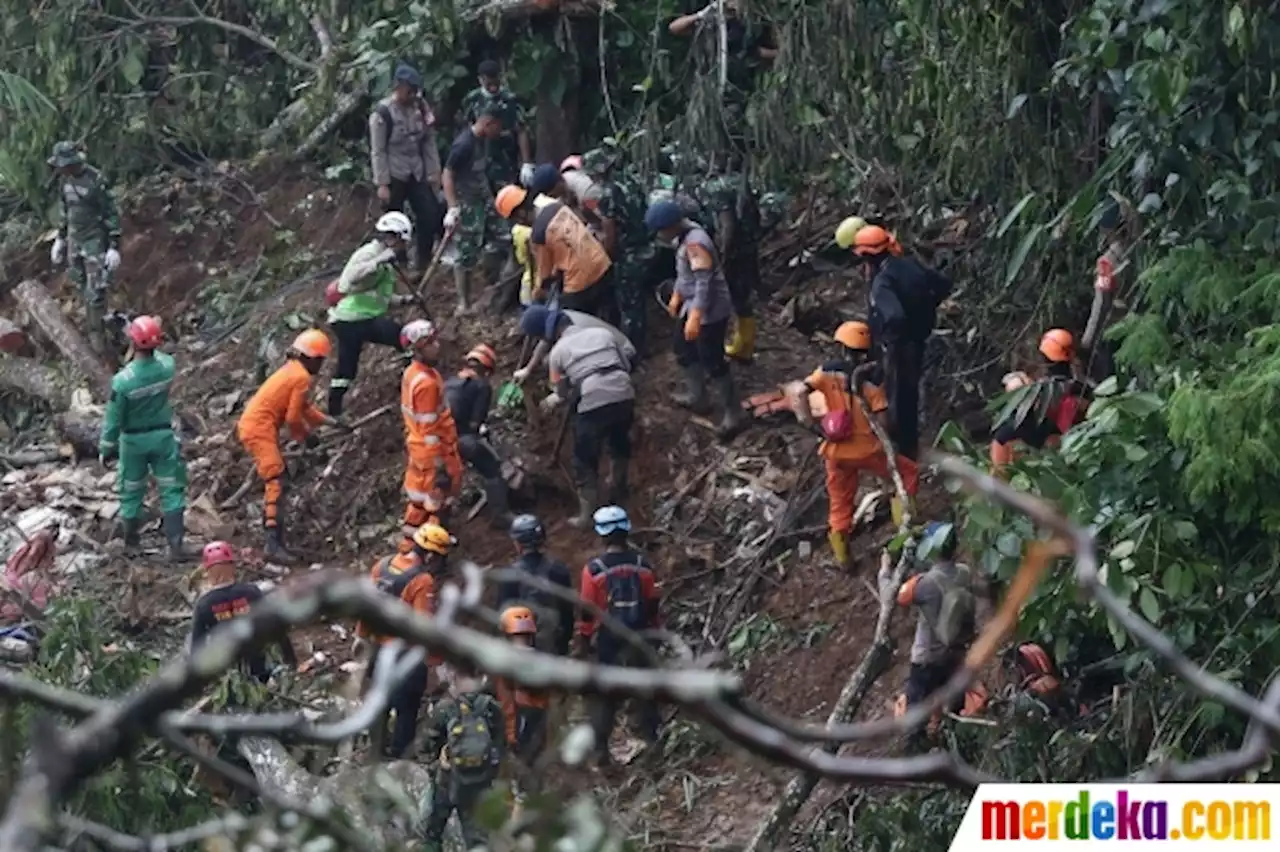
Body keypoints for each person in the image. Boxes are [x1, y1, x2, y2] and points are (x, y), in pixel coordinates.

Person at [786, 320, 920, 568]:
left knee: (839, 502)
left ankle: (843, 557)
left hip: (835, 450)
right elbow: (883, 420)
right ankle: (906, 536)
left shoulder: (825, 372)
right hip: (867, 448)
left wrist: (809, 423)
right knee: (907, 473)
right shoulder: (872, 379)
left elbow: (799, 391)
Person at [849, 223, 953, 461]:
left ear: (868, 256)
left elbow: (894, 315)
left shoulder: (882, 282)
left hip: (899, 345)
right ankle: (909, 444)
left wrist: (890, 341)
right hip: (918, 339)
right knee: (910, 392)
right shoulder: (910, 265)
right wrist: (925, 306)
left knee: (897, 394)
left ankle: (900, 448)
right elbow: (943, 284)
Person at [645, 199, 745, 438]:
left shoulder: (695, 243)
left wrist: (697, 315)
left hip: (710, 309)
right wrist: (678, 296)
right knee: (683, 349)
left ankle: (734, 413)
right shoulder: (682, 238)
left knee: (712, 359)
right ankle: (697, 395)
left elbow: (704, 283)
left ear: (670, 225)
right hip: (691, 306)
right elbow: (685, 274)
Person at [356, 522, 456, 759]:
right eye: (440, 557)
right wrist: (436, 661)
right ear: (430, 554)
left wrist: (361, 636)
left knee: (379, 702)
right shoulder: (422, 581)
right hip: (405, 654)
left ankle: (376, 752)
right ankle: (400, 759)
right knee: (407, 709)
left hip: (379, 649)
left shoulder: (381, 566)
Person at [237, 329, 337, 563]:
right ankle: (273, 545)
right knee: (276, 479)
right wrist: (307, 438)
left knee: (279, 479)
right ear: (312, 359)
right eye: (320, 361)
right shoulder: (301, 377)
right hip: (258, 429)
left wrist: (331, 422)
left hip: (256, 426)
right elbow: (293, 419)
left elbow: (304, 409)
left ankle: (276, 540)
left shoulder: (292, 370)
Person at [98, 317, 191, 561]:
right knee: (172, 488)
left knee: (131, 491)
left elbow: (113, 419)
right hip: (163, 436)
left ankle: (132, 545)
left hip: (133, 442)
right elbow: (163, 362)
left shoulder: (123, 381)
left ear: (132, 341)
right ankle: (176, 546)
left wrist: (106, 448)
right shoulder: (167, 366)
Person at [576, 506, 662, 766]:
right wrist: (657, 630)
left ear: (602, 536)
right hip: (640, 636)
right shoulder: (643, 565)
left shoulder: (594, 571)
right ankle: (654, 742)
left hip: (609, 640)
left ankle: (601, 751)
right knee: (646, 691)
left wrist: (583, 639)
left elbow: (588, 610)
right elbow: (652, 602)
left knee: (606, 696)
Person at [538, 309, 637, 526]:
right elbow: (626, 364)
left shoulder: (558, 352)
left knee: (584, 457)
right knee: (619, 439)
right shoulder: (603, 334)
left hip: (593, 400)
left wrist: (557, 397)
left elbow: (561, 392)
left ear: (555, 332)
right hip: (624, 392)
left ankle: (587, 514)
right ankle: (618, 486)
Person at [889, 523, 982, 736]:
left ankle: (917, 751)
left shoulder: (923, 584)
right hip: (955, 656)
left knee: (915, 713)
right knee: (954, 705)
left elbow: (896, 595)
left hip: (927, 659)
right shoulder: (964, 573)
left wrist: (886, 571)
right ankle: (956, 744)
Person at [327, 212, 416, 416]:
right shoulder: (369, 253)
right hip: (350, 319)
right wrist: (378, 260)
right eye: (401, 241)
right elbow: (350, 278)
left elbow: (380, 297)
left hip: (362, 318)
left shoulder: (388, 264)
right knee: (400, 337)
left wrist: (404, 300)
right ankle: (334, 412)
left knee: (349, 368)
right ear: (393, 237)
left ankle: (411, 378)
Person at [668, 1, 778, 153]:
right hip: (708, 84)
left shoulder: (753, 23)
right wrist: (702, 14)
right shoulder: (711, 21)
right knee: (701, 122)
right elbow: (675, 28)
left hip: (741, 86)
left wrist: (755, 53)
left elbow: (772, 51)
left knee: (734, 124)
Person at [419, 661, 505, 852]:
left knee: (434, 831)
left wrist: (435, 764)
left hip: (447, 780)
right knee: (476, 836)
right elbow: (500, 744)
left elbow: (425, 745)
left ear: (455, 679)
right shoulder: (491, 708)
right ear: (481, 679)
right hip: (479, 783)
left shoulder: (445, 708)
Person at [48, 141, 121, 357]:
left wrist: (114, 246)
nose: (61, 169)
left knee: (96, 291)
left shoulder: (95, 180)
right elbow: (65, 210)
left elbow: (111, 213)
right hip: (74, 240)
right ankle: (92, 330)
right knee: (80, 283)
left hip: (94, 241)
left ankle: (99, 343)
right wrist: (60, 239)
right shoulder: (64, 181)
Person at [496, 182, 613, 317]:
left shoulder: (539, 234)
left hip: (580, 282)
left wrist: (536, 296)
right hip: (601, 263)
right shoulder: (558, 207)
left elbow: (544, 275)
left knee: (568, 320)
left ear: (520, 214)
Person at [189, 541, 298, 682]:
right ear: (232, 566)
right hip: (259, 669)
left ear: (208, 571)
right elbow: (276, 627)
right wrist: (291, 660)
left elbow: (197, 648)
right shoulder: (251, 592)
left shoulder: (204, 604)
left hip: (227, 675)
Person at [369, 62, 443, 267]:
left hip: (416, 170)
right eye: (409, 91)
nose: (412, 95)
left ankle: (423, 259)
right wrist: (382, 183)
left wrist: (434, 172)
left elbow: (428, 142)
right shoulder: (382, 114)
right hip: (394, 172)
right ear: (398, 87)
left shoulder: (420, 108)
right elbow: (378, 150)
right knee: (394, 220)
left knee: (428, 213)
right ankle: (397, 261)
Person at [399, 320, 463, 552]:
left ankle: (410, 549)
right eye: (429, 343)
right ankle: (431, 551)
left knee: (419, 504)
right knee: (437, 504)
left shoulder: (415, 373)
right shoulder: (426, 382)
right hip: (434, 452)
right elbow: (429, 429)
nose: (436, 346)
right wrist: (441, 469)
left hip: (420, 450)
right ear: (417, 349)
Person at [583, 146, 654, 353]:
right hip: (645, 243)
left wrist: (605, 255)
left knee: (629, 304)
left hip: (628, 252)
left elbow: (610, 229)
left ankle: (633, 350)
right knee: (637, 300)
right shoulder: (630, 180)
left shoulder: (607, 193)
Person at [442, 103, 506, 315]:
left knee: (502, 238)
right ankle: (463, 303)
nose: (500, 131)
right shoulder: (464, 144)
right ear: (488, 123)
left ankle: (495, 286)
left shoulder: (483, 140)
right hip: (468, 205)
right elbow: (447, 174)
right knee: (465, 253)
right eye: (498, 126)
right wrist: (452, 208)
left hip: (485, 199)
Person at [989, 329, 1089, 463]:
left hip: (1031, 438)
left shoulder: (1037, 388)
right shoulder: (1080, 388)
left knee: (1003, 436)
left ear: (1043, 357)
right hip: (1057, 438)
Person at [698, 165, 763, 361]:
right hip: (748, 247)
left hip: (735, 253)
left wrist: (724, 255)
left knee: (730, 299)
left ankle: (736, 347)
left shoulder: (716, 189)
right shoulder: (738, 181)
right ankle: (745, 345)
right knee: (742, 299)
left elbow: (727, 225)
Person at [444, 343, 510, 528]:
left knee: (445, 485)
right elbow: (475, 423)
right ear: (486, 369)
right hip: (464, 439)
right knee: (492, 469)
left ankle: (442, 526)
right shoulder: (481, 386)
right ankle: (501, 516)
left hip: (441, 440)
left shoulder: (448, 382)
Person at [497, 514, 575, 656]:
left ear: (518, 544)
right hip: (554, 645)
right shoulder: (559, 569)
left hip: (522, 649)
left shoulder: (510, 574)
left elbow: (503, 616)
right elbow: (567, 614)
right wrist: (564, 644)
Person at [511, 303, 629, 387]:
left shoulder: (576, 329)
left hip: (625, 350)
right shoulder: (560, 319)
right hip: (613, 351)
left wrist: (561, 391)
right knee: (552, 360)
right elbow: (544, 344)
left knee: (557, 360)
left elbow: (558, 383)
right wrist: (528, 369)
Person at [459, 59, 533, 190]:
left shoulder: (510, 99)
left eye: (496, 82)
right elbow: (467, 131)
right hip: (481, 160)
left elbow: (521, 130)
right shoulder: (472, 100)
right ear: (481, 80)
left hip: (508, 160)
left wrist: (526, 163)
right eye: (489, 83)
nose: (493, 86)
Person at [494, 605, 551, 773]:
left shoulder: (504, 664)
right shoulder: (543, 659)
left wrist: (510, 734)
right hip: (537, 717)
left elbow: (506, 702)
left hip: (523, 717)